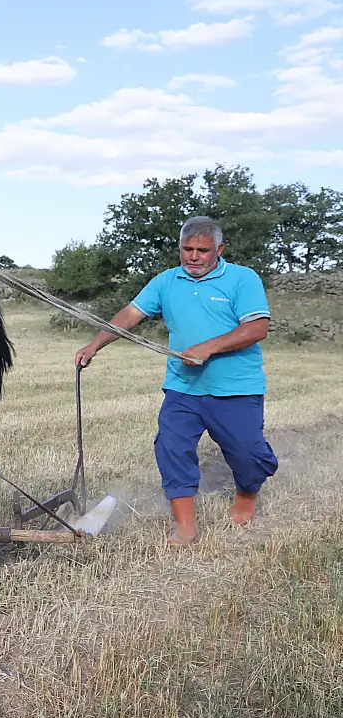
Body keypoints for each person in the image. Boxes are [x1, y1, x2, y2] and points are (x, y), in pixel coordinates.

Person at [74, 216, 278, 546]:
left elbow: (257, 328)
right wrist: (94, 345)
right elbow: (130, 315)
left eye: (203, 250)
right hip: (183, 387)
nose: (194, 256)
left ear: (220, 249)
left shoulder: (243, 279)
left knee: (248, 454)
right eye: (187, 249)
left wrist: (208, 347)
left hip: (236, 388)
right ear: (179, 247)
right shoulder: (166, 282)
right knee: (170, 448)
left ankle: (246, 494)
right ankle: (186, 527)